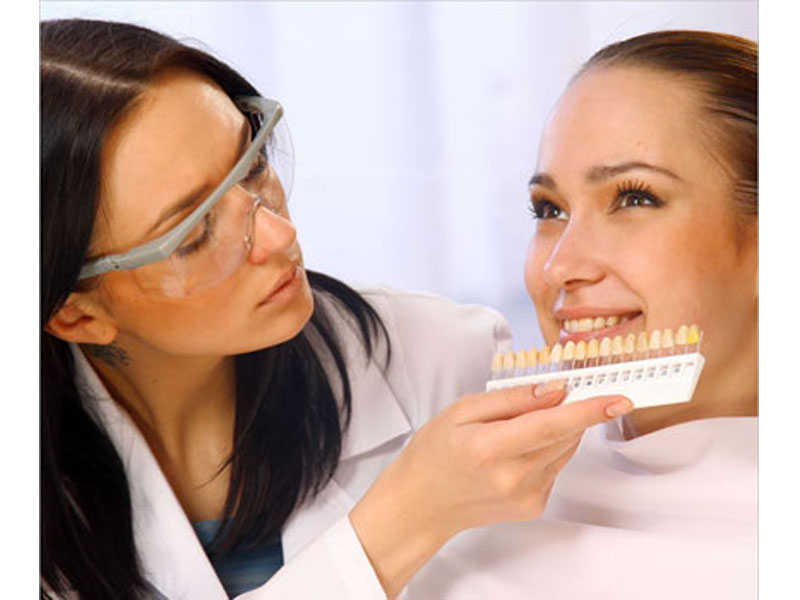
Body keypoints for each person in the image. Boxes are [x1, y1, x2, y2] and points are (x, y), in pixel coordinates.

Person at [40, 19, 634, 600]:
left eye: (253, 166)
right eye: (195, 236)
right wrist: (400, 524)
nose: (278, 235)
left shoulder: (443, 360)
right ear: (77, 315)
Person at [410, 30, 757, 599]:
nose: (560, 266)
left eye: (635, 198)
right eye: (549, 210)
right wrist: (402, 523)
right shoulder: (464, 487)